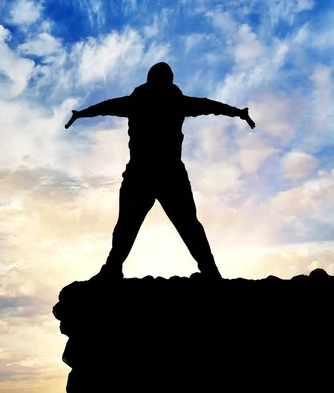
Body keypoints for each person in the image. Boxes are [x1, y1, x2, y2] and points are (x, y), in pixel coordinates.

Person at [65, 62, 255, 281]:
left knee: (178, 224)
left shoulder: (157, 102)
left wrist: (238, 113)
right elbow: (106, 106)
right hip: (149, 172)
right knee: (133, 224)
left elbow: (210, 106)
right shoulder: (148, 102)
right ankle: (113, 267)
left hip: (160, 172)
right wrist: (81, 114)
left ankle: (209, 271)